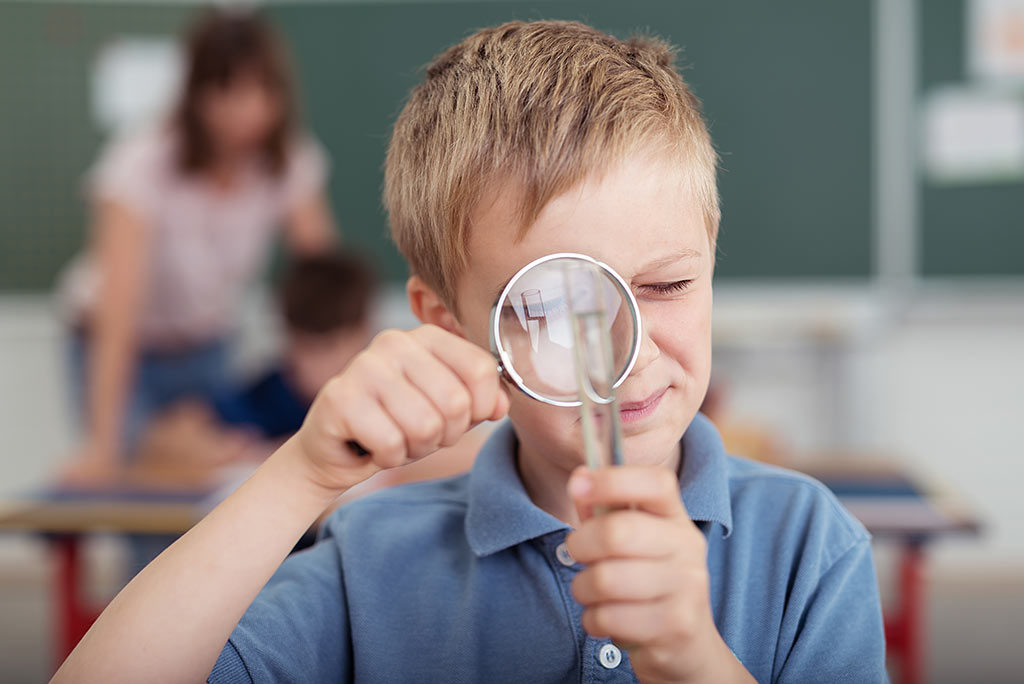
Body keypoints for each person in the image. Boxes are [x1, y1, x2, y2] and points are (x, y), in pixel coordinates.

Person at [52, 21, 888, 683]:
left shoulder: (810, 545)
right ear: (449, 325)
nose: (623, 353)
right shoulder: (370, 560)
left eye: (667, 287)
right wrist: (301, 477)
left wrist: (695, 664)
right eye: (554, 307)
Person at [58, 8, 336, 485]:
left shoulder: (288, 160)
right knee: (137, 486)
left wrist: (340, 378)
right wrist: (104, 445)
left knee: (213, 489)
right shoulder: (139, 164)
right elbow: (118, 310)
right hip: (122, 346)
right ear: (197, 95)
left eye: (261, 90)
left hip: (207, 346)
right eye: (227, 89)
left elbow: (324, 283)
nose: (246, 110)